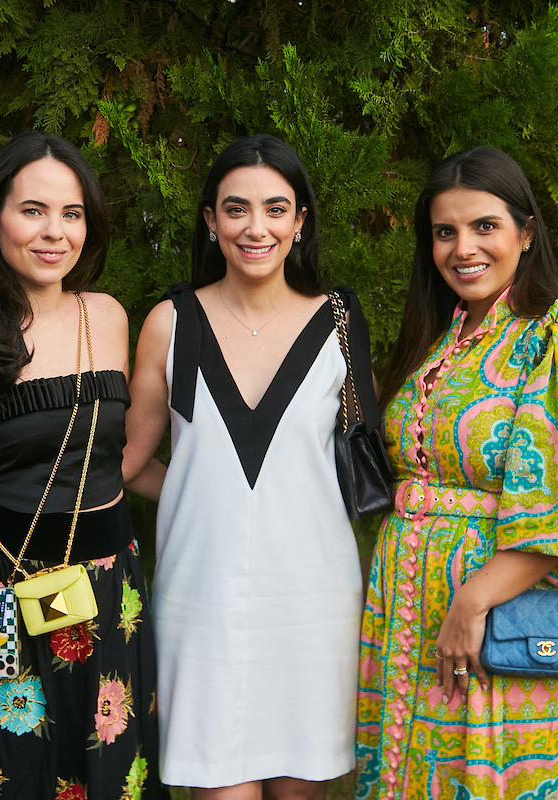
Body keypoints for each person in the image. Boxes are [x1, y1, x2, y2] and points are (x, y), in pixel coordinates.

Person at [354, 145, 558, 800]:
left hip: (502, 618)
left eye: (484, 226)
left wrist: (472, 600)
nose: (463, 247)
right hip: (407, 613)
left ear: (526, 233)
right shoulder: (440, 337)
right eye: (445, 231)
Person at [124, 134, 364, 800]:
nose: (256, 227)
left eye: (276, 208)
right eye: (236, 209)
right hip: (202, 598)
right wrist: (202, 494)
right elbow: (125, 462)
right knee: (218, 784)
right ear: (210, 221)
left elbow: (369, 452)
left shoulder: (339, 320)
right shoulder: (171, 322)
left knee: (300, 788)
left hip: (314, 598)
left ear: (300, 220)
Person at [0, 131, 168, 800]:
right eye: (32, 210)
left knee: (111, 769)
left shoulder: (108, 316)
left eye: (71, 214)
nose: (54, 232)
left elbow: (119, 457)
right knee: (9, 769)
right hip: (0, 589)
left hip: (107, 589)